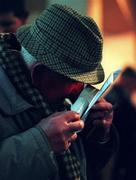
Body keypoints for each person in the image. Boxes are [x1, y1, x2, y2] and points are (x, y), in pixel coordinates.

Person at [0, 4, 117, 180]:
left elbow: (87, 168)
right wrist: (41, 142)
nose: (79, 90)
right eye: (72, 80)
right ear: (38, 74)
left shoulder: (50, 94)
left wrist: (99, 134)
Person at [105, 66, 136, 180]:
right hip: (118, 156)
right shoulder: (117, 100)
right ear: (125, 80)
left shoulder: (116, 97)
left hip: (119, 155)